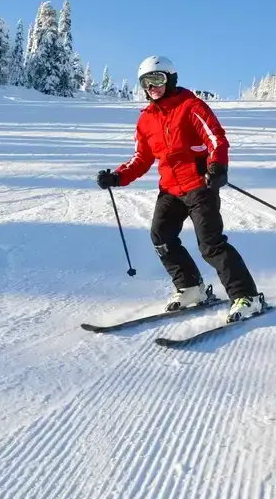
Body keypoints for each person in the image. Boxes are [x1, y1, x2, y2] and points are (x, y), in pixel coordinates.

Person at [96, 55, 264, 322]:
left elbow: (215, 139)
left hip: (200, 186)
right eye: (146, 82)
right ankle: (190, 288)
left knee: (210, 245)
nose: (153, 87)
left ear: (171, 79)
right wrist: (117, 177)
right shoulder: (146, 120)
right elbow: (141, 158)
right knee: (161, 237)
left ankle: (248, 297)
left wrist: (217, 167)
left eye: (158, 79)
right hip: (170, 190)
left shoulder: (191, 106)